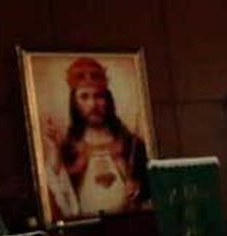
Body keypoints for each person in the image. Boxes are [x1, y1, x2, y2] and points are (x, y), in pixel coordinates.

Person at [42, 57, 149, 220]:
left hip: (129, 225)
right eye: (84, 97)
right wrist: (53, 150)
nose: (93, 104)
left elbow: (149, 185)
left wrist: (138, 188)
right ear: (74, 102)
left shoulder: (130, 143)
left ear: (108, 100)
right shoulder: (68, 147)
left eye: (99, 96)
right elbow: (59, 194)